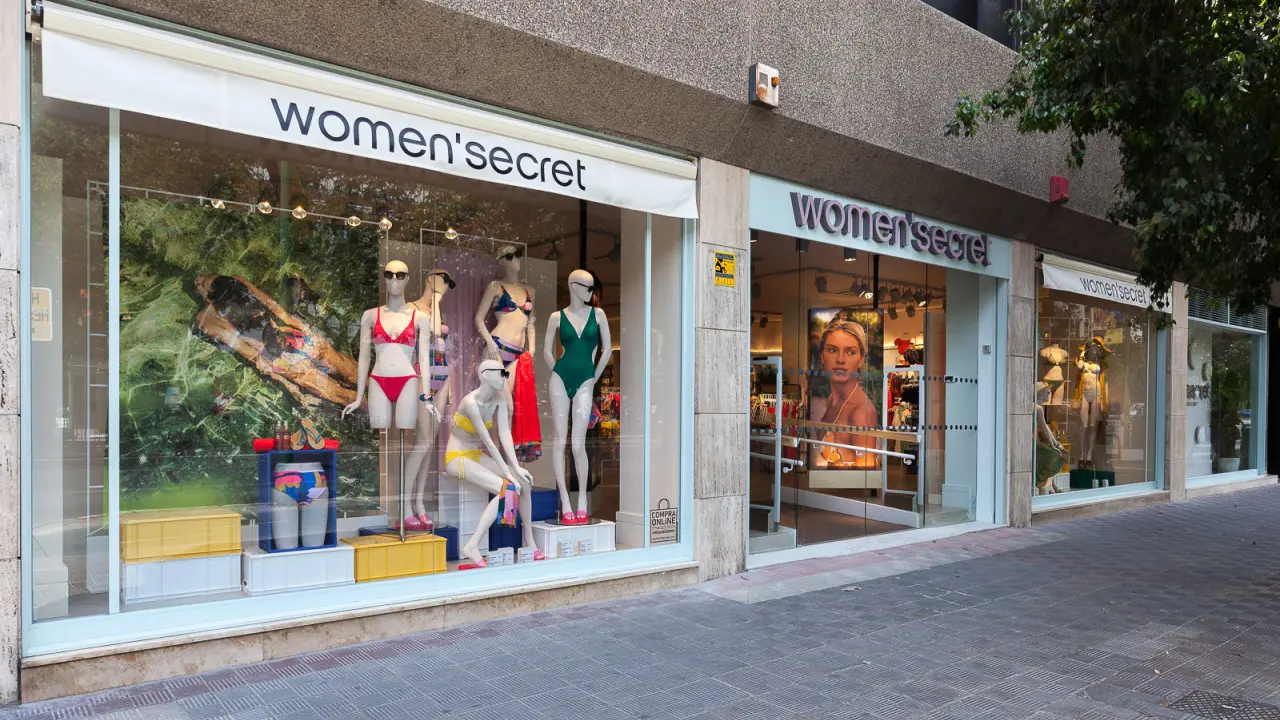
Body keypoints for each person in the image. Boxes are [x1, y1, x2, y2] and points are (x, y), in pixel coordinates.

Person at [816, 319, 878, 468]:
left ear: (861, 359)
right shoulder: (834, 399)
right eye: (832, 350)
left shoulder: (861, 413)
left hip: (848, 484)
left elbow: (866, 475)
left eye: (850, 352)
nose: (840, 360)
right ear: (822, 356)